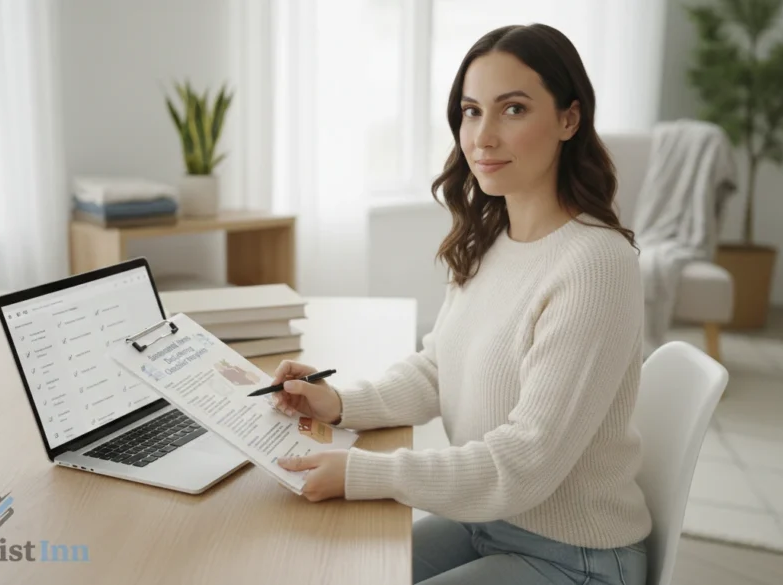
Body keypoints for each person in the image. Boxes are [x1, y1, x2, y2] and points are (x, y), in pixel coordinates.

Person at [271, 23, 651, 585]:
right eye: (472, 111)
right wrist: (337, 403)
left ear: (569, 119)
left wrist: (363, 472)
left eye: (513, 109)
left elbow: (526, 462)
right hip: (485, 521)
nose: (483, 137)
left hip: (576, 557)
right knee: (333, 567)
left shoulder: (596, 265)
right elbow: (437, 369)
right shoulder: (493, 239)